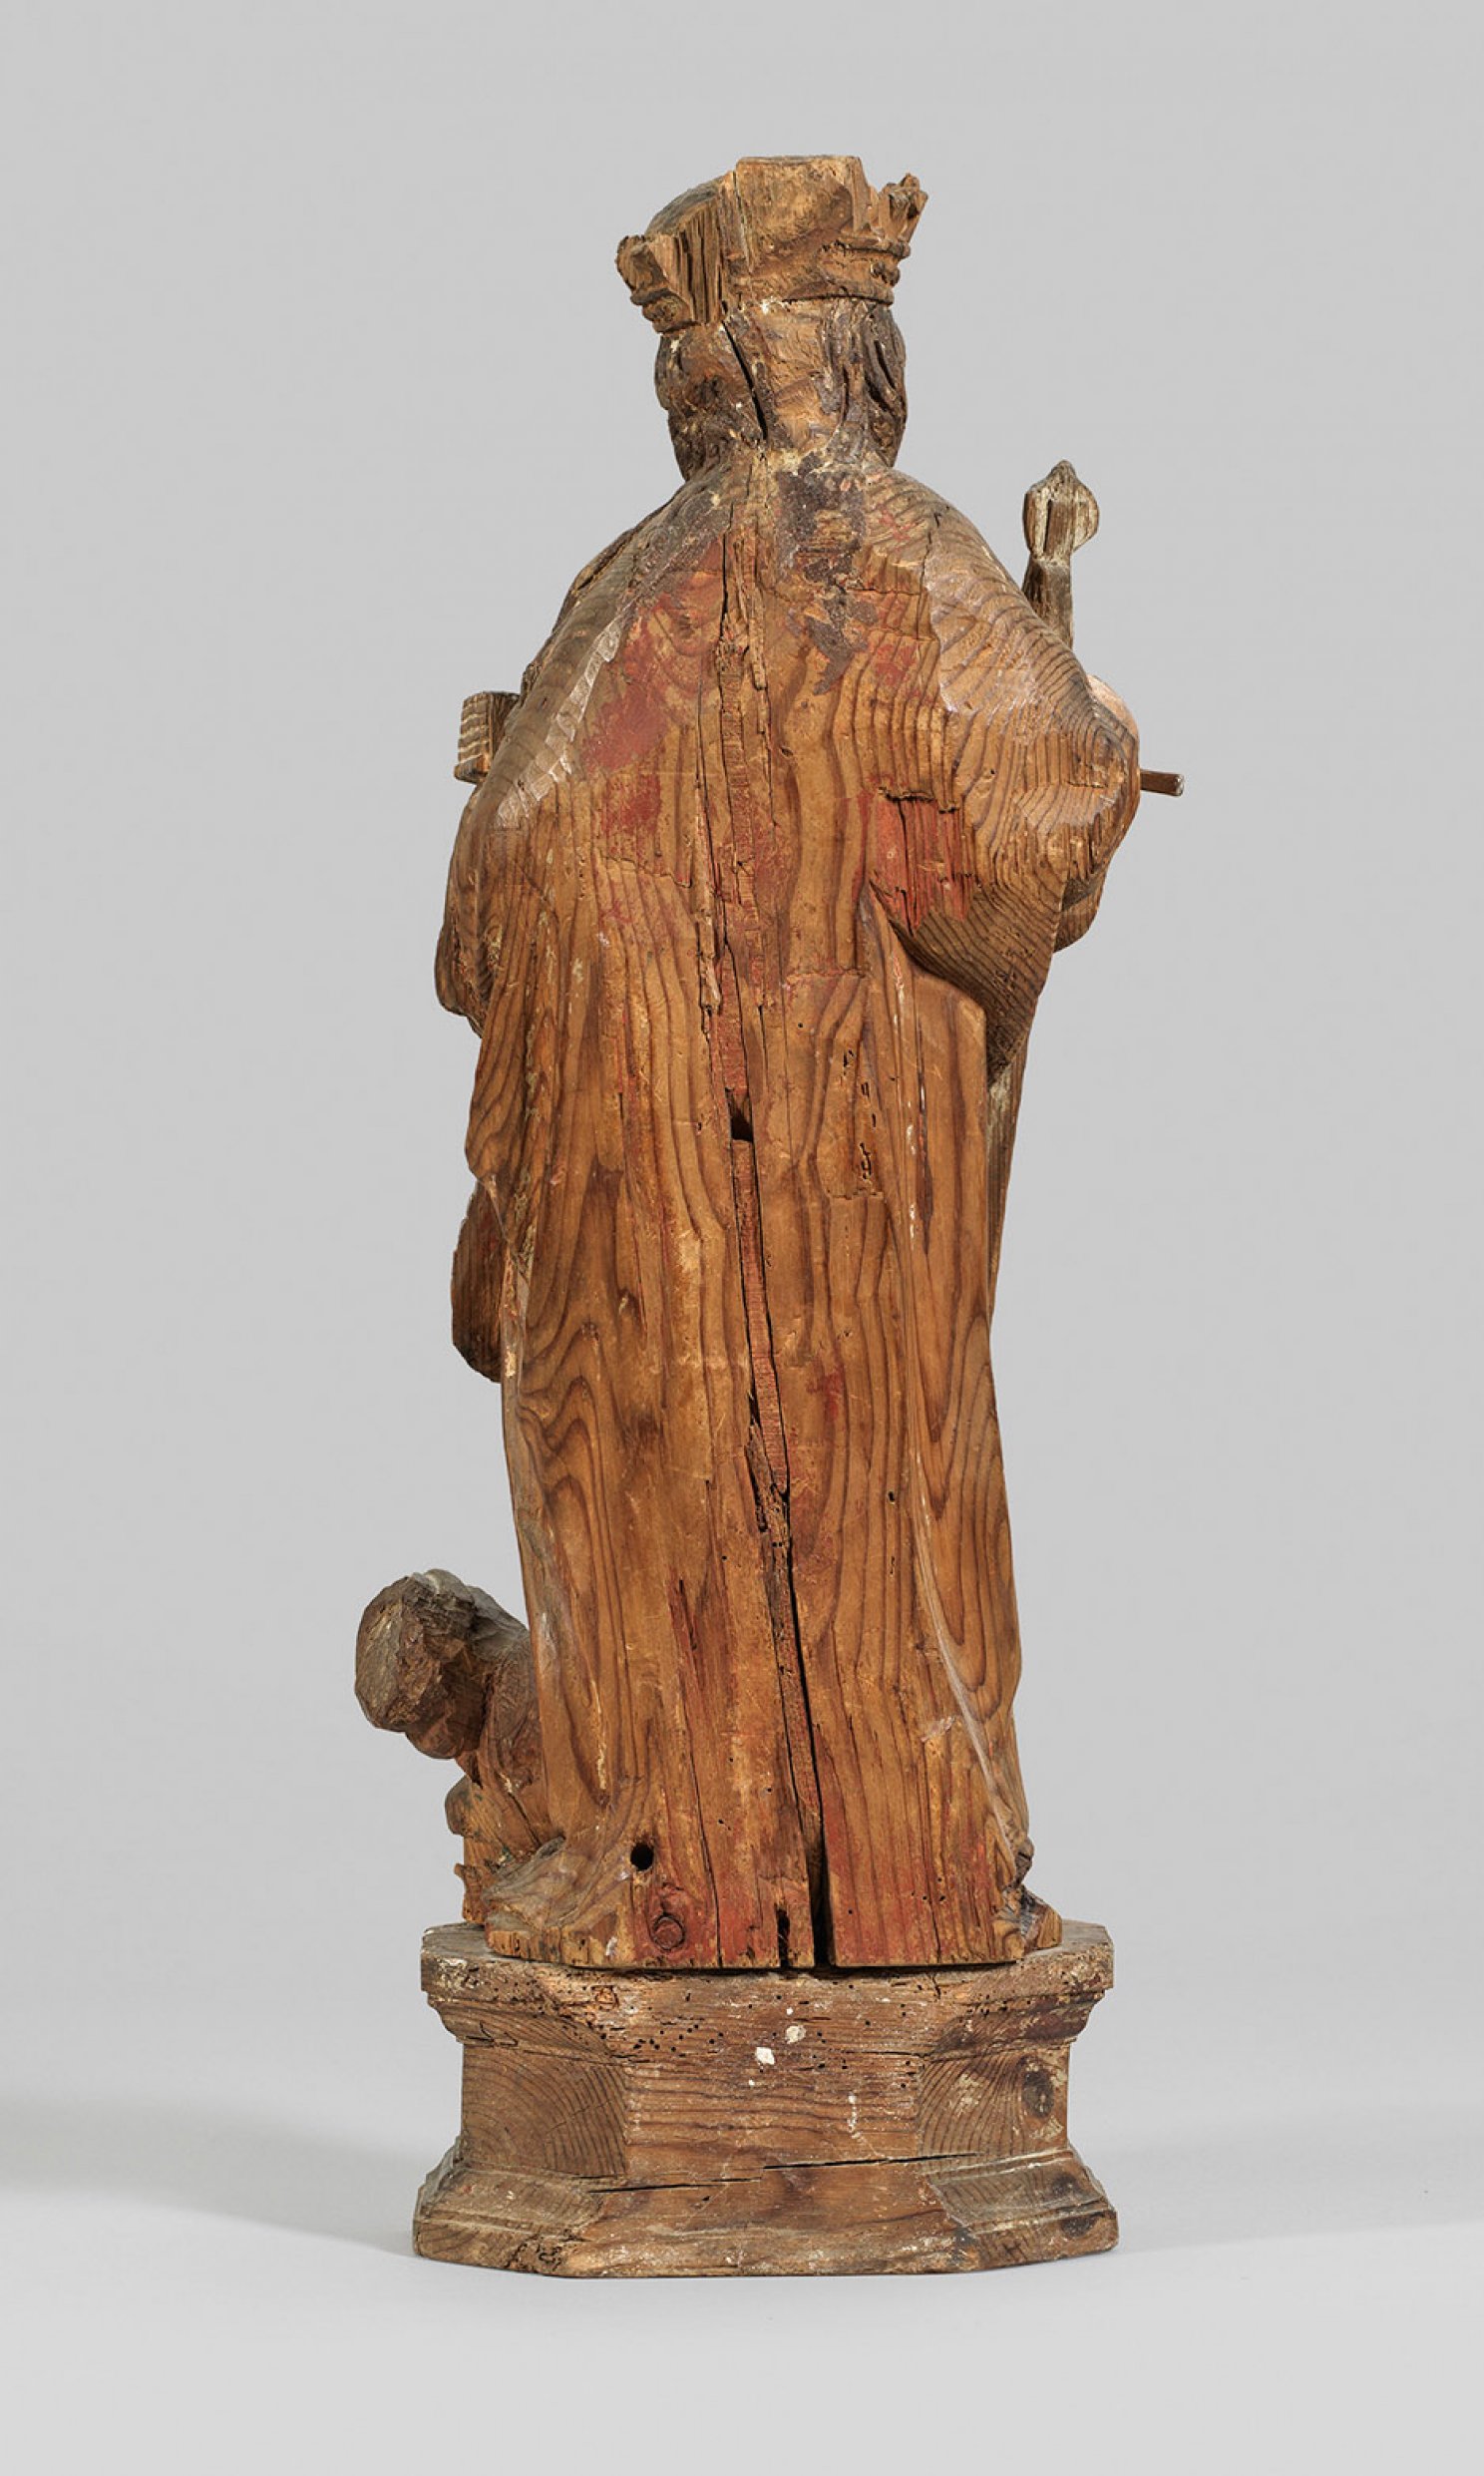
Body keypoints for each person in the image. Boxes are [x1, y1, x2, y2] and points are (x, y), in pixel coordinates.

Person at [435, 158, 1139, 1970]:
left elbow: (484, 909)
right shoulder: (907, 554)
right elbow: (1033, 834)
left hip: (628, 1221)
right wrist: (1086, 713)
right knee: (858, 1510)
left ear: (706, 386)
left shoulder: (618, 588)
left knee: (657, 1504)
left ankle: (674, 1866)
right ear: (870, 367)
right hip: (832, 1181)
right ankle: (865, 1890)